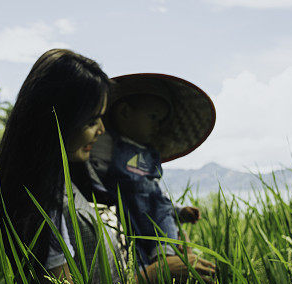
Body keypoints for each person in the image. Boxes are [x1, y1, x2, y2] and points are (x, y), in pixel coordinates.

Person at [0, 50, 216, 284]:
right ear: (57, 118)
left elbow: (142, 207)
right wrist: (153, 275)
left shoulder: (84, 181)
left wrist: (175, 236)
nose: (102, 130)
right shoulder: (42, 206)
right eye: (92, 120)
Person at [90, 73, 216, 267]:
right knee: (135, 262)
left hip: (153, 216)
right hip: (126, 217)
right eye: (153, 117)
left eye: (161, 120)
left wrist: (179, 211)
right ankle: (163, 261)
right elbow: (92, 175)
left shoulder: (149, 154)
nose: (157, 125)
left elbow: (156, 195)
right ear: (124, 112)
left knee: (163, 216)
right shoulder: (108, 144)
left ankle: (166, 255)